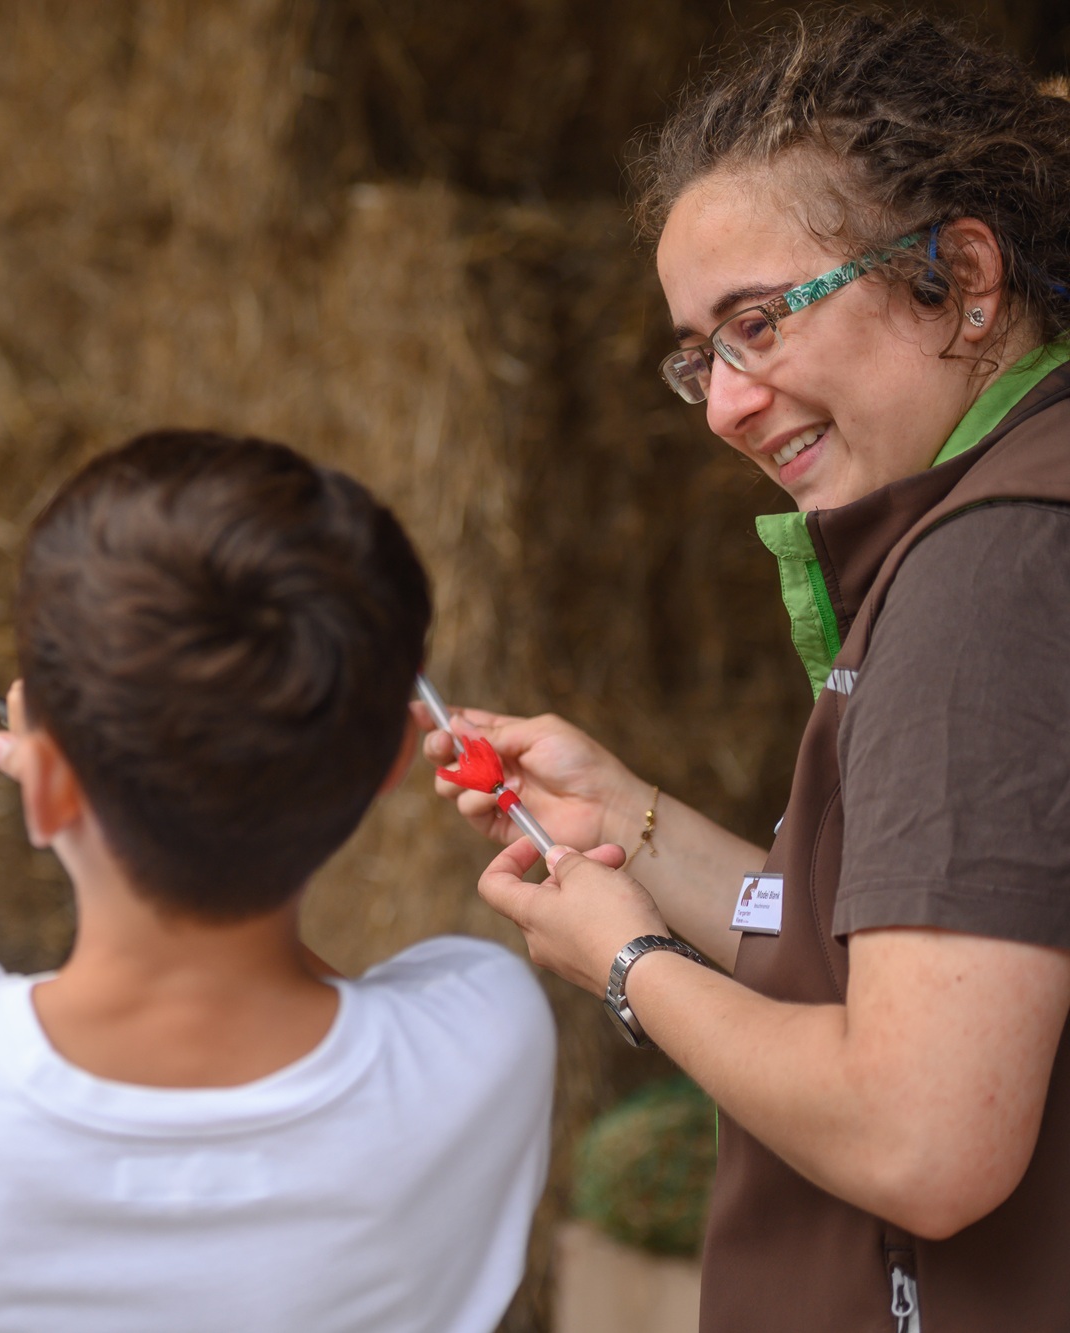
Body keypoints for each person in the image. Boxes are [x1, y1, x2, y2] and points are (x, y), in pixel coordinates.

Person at [420, 13, 1070, 1333]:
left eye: (759, 323)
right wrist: (632, 820)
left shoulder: (988, 576)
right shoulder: (1008, 507)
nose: (722, 403)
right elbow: (896, 955)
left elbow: (921, 1138)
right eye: (698, 354)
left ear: (964, 277)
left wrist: (629, 961)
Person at [0, 431, 554, 1332]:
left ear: (45, 787)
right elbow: (347, 1026)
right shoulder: (489, 1029)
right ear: (393, 761)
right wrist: (97, 788)